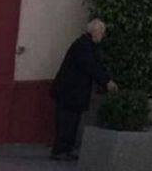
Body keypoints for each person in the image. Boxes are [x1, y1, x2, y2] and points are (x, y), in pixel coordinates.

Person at [49, 18, 118, 160]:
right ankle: (60, 151)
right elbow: (91, 66)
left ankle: (66, 149)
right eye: (102, 32)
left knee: (72, 122)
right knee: (66, 122)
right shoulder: (83, 46)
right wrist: (106, 82)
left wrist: (107, 78)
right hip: (68, 91)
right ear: (94, 32)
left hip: (74, 92)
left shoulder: (87, 45)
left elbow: (98, 64)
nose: (103, 35)